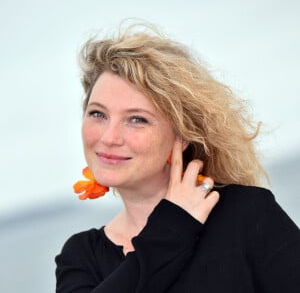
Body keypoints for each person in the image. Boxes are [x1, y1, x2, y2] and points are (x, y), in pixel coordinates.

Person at [55, 23, 300, 293]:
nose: (109, 137)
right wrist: (174, 225)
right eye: (98, 114)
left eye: (137, 119)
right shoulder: (80, 256)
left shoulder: (247, 213)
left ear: (181, 134)